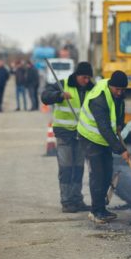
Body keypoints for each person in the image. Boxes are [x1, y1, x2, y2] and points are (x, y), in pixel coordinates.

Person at [77, 70, 131, 224]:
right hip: (90, 137)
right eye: (117, 89)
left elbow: (120, 107)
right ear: (110, 86)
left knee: (107, 172)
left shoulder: (117, 92)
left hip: (103, 138)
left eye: (122, 90)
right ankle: (95, 211)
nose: (120, 93)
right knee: (98, 174)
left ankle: (102, 208)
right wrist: (121, 150)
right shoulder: (99, 99)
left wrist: (120, 123)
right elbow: (104, 128)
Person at [41, 62, 95, 213]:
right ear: (77, 75)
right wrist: (59, 96)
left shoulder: (92, 89)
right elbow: (45, 97)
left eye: (88, 78)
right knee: (66, 168)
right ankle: (66, 201)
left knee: (78, 168)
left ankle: (77, 200)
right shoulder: (63, 84)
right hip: (64, 133)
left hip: (82, 134)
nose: (86, 80)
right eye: (84, 77)